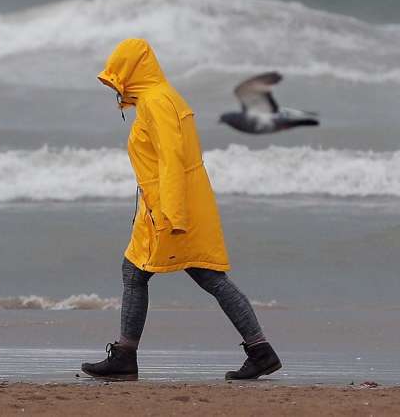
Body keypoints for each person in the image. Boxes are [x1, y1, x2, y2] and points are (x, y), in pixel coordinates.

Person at [81, 39, 281, 381]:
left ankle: (126, 356)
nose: (115, 86)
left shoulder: (156, 101)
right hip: (171, 203)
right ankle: (260, 351)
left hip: (170, 206)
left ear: (132, 71)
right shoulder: (161, 97)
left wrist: (172, 214)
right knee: (201, 276)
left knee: (145, 273)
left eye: (118, 76)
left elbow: (172, 159)